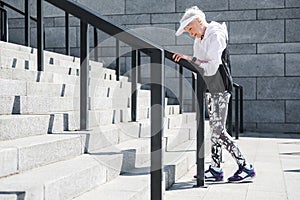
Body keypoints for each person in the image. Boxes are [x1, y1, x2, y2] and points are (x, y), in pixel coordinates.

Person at [173, 6, 255, 182]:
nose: (190, 33)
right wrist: (194, 61)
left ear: (199, 22)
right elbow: (200, 65)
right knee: (215, 129)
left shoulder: (215, 34)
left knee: (218, 129)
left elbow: (211, 66)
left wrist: (190, 60)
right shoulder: (199, 39)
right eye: (187, 31)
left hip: (221, 86)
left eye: (190, 28)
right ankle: (216, 168)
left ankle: (245, 166)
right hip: (210, 87)